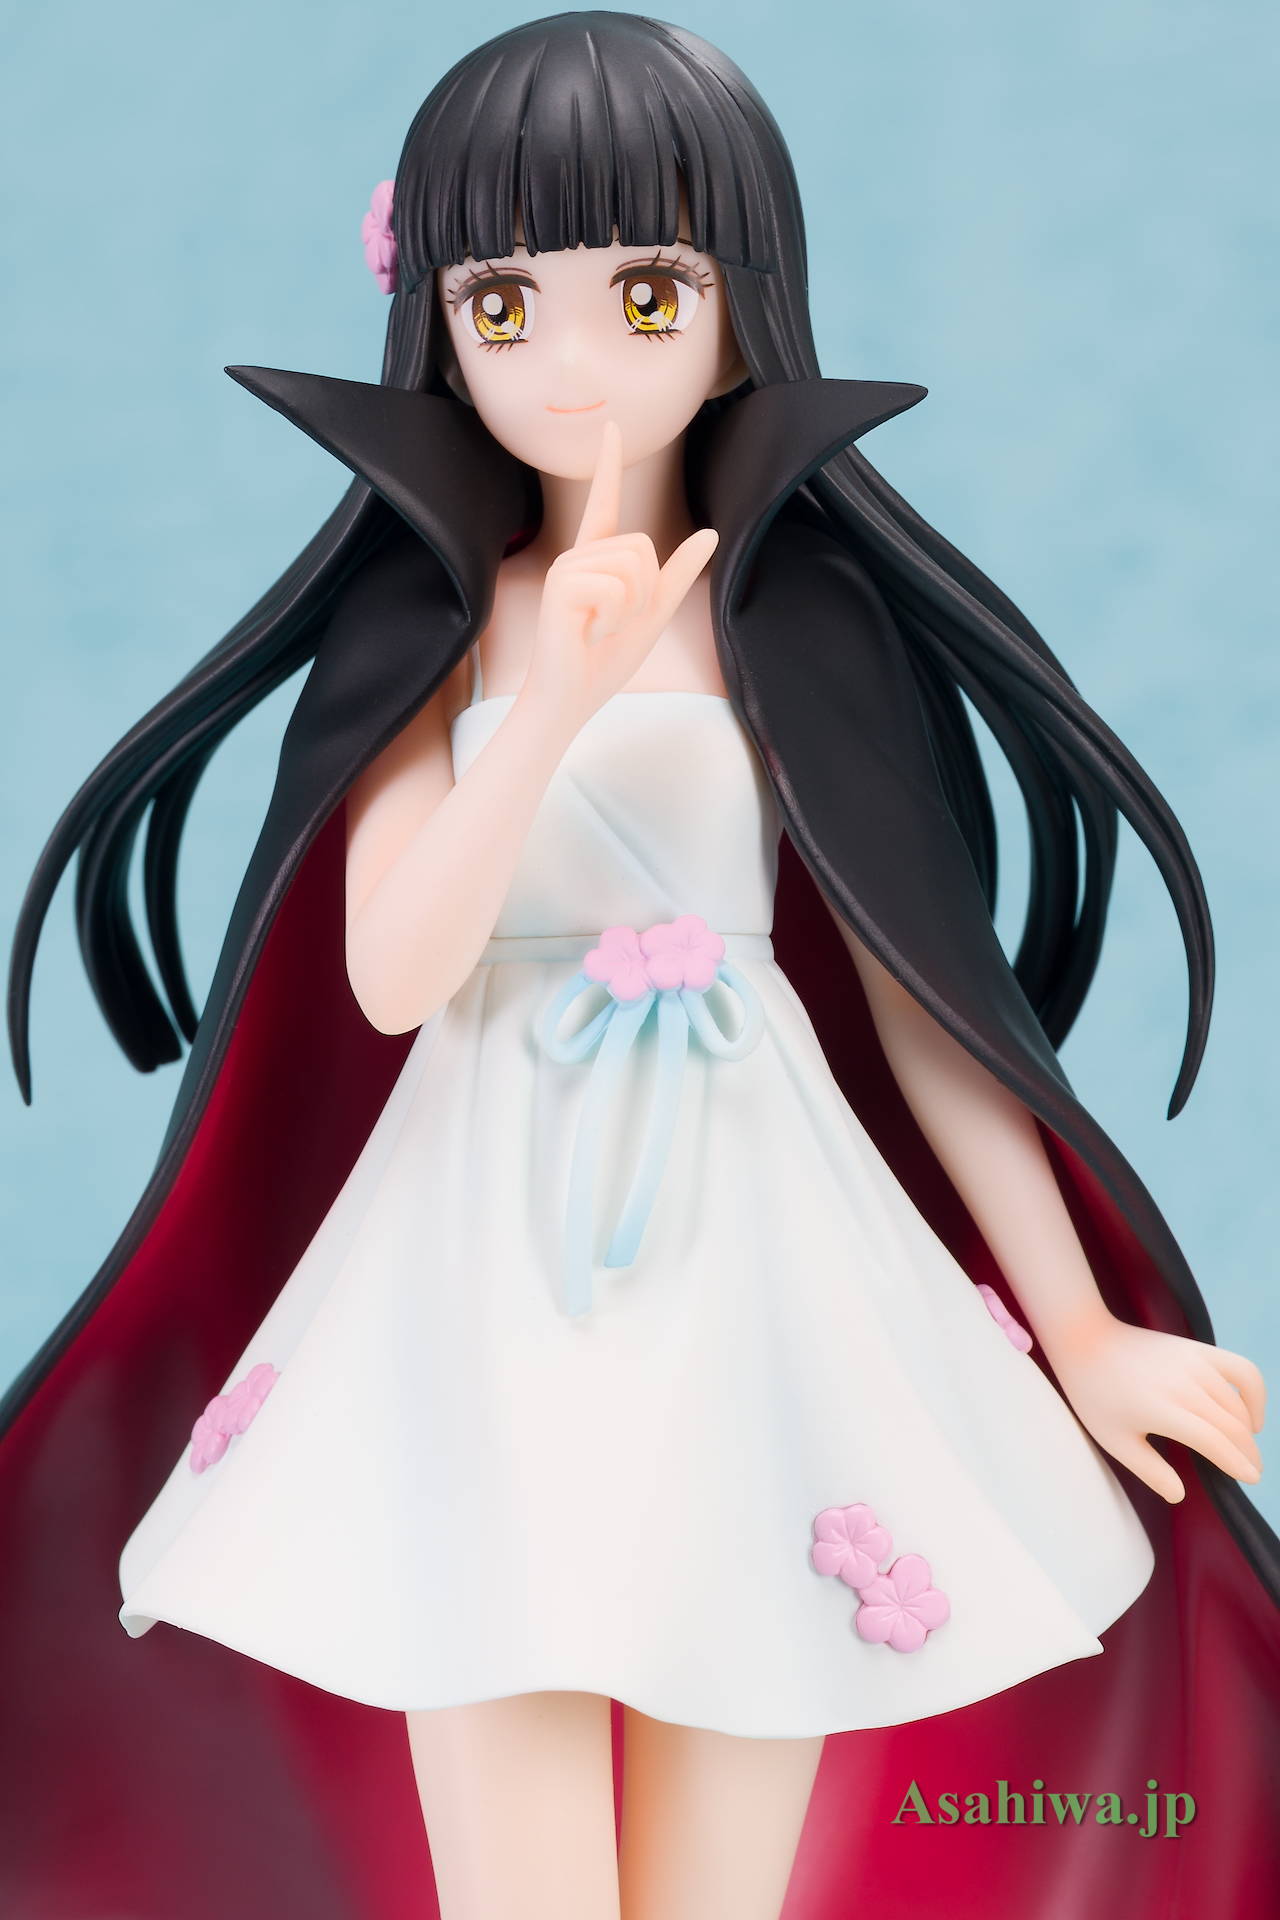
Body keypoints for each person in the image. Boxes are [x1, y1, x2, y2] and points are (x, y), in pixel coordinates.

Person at [2, 15, 1277, 1919]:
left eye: (648, 294)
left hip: (761, 1266)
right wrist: (550, 704)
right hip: (475, 1269)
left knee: (720, 1852)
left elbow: (926, 1002)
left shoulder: (796, 617)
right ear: (439, 323)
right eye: (506, 306)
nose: (575, 363)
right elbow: (394, 971)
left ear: (744, 304)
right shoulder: (430, 616)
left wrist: (1081, 1330)